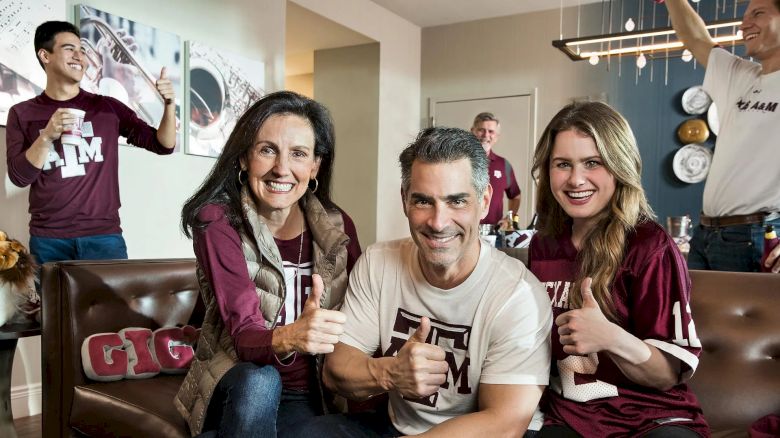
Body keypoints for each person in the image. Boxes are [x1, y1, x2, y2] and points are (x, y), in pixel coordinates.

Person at [302, 126, 552, 437]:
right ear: (405, 199)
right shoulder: (379, 263)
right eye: (423, 202)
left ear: (485, 201)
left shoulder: (518, 295)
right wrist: (390, 372)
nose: (438, 222)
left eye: (457, 201)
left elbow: (504, 424)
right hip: (396, 426)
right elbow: (336, 371)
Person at [173, 91, 362, 437]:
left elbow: (363, 316)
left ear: (315, 166)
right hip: (237, 381)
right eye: (267, 150)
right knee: (261, 380)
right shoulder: (218, 220)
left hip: (307, 392)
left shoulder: (338, 226)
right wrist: (293, 335)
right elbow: (245, 337)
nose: (282, 169)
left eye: (298, 154)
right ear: (244, 158)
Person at [528, 102, 710, 437]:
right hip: (569, 418)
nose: (576, 179)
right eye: (563, 164)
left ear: (619, 165)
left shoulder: (649, 245)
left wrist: (611, 337)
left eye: (592, 163)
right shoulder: (543, 245)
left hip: (651, 419)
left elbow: (666, 375)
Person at [5, 21, 176, 265]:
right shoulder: (21, 113)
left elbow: (164, 145)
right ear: (45, 55)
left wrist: (169, 104)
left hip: (104, 237)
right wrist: (46, 136)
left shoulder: (107, 107)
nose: (79, 56)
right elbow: (19, 177)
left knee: (113, 293)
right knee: (52, 294)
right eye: (69, 49)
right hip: (48, 239)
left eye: (82, 49)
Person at [665, 0, 780, 273]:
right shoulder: (739, 75)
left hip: (758, 235)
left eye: (758, 13)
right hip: (706, 234)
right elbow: (695, 37)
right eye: (744, 16)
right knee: (692, 304)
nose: (744, 24)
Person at [470, 112, 522, 227]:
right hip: (464, 230)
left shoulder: (504, 165)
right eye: (481, 130)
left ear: (497, 136)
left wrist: (509, 219)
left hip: (494, 232)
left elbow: (515, 196)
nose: (486, 135)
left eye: (491, 131)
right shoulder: (459, 162)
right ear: (472, 131)